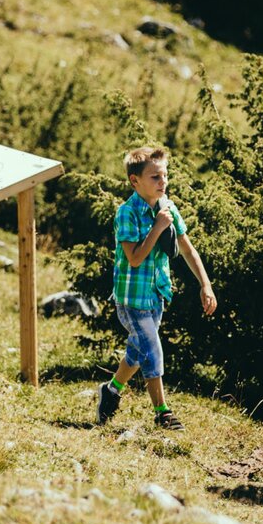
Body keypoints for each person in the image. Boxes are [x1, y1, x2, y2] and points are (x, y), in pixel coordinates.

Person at [97, 146, 217, 429]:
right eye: (155, 177)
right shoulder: (127, 213)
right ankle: (163, 412)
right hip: (131, 299)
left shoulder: (168, 208)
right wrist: (157, 228)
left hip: (156, 294)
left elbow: (188, 251)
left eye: (164, 175)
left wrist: (205, 284)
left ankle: (111, 390)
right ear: (134, 181)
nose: (162, 182)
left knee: (138, 351)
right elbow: (135, 258)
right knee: (152, 348)